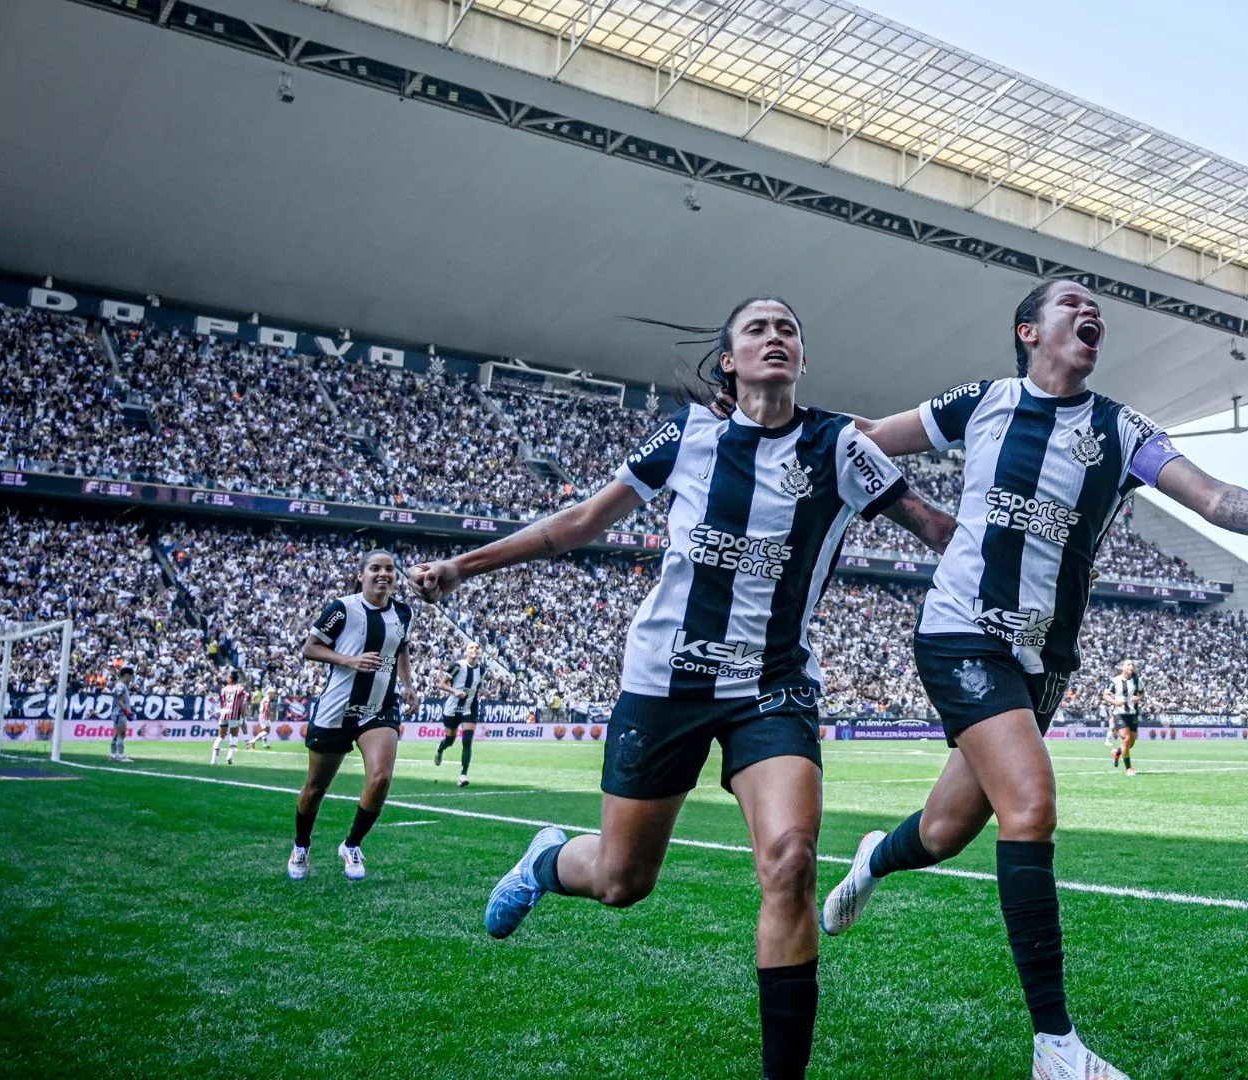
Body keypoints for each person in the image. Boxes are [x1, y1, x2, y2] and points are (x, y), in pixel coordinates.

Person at [816, 278, 1248, 1077]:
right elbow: (868, 437)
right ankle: (1054, 1046)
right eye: (1070, 300)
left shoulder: (1119, 429)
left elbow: (1210, 496)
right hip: (960, 632)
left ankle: (873, 859)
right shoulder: (984, 401)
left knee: (944, 832)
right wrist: (782, 425)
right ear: (1029, 330)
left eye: (1095, 304)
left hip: (1043, 661)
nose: (1089, 308)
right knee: (1029, 805)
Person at [408, 297, 956, 1080]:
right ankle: (547, 861)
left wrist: (1043, 548)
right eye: (757, 329)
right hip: (665, 684)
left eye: (789, 329)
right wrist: (463, 566)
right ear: (729, 361)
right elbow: (579, 523)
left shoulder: (840, 444)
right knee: (623, 882)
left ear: (802, 359)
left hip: (772, 686)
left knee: (792, 858)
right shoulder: (691, 436)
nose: (776, 337)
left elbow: (935, 528)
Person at [289, 550, 419, 882]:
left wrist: (408, 686)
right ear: (361, 575)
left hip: (379, 708)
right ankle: (301, 845)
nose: (383, 574)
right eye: (375, 568)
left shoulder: (403, 612)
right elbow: (310, 648)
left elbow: (401, 649)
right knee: (316, 787)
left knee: (380, 779)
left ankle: (352, 844)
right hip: (336, 709)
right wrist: (350, 660)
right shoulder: (342, 608)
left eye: (389, 568)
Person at [433, 641, 487, 787]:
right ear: (465, 652)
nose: (475, 649)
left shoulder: (482, 670)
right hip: (452, 708)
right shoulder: (458, 666)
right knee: (450, 740)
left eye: (477, 647)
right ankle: (440, 749)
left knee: (467, 741)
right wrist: (455, 691)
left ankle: (463, 775)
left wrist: (483, 693)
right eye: (471, 647)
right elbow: (441, 684)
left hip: (470, 708)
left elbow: (477, 688)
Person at [1103, 659, 1143, 776]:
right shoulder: (1115, 681)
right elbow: (1105, 695)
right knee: (1125, 739)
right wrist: (1115, 702)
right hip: (1120, 713)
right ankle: (1129, 768)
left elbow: (1142, 693)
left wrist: (1138, 698)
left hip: (1133, 714)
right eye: (1128, 664)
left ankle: (1116, 752)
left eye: (1132, 665)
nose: (1131, 666)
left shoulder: (1137, 680)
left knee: (1130, 743)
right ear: (1123, 667)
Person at [211, 669, 248, 765]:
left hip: (224, 713)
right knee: (234, 736)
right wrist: (243, 717)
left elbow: (223, 703)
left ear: (231, 679)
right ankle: (229, 757)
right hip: (234, 714)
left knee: (221, 736)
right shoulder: (240, 689)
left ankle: (214, 759)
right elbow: (242, 703)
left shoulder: (224, 689)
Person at [108, 672, 134, 763]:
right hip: (120, 713)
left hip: (118, 713)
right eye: (130, 677)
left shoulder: (121, 685)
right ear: (126, 676)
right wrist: (126, 711)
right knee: (121, 734)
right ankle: (120, 756)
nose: (130, 679)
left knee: (116, 734)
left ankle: (113, 755)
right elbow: (120, 700)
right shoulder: (121, 686)